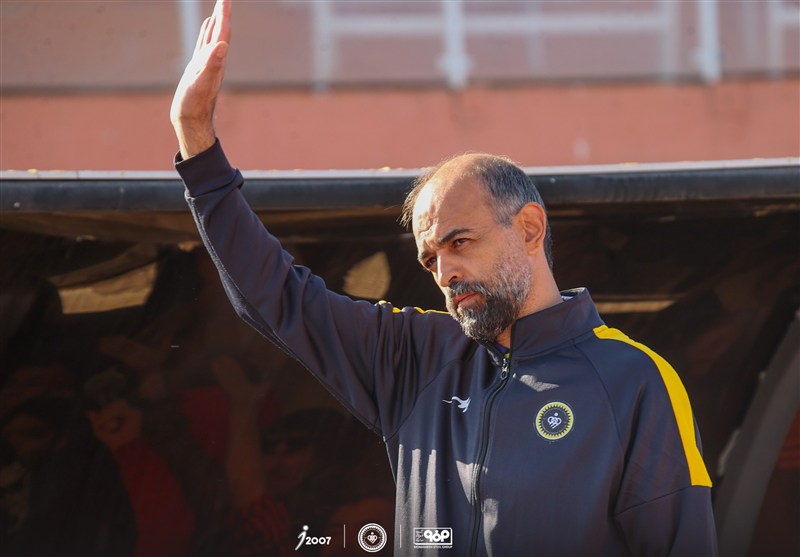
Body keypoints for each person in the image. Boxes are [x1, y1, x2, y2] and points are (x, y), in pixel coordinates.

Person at [170, 1, 718, 555]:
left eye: (460, 243)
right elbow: (278, 297)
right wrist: (196, 141)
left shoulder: (633, 379)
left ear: (529, 229)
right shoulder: (416, 358)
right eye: (430, 259)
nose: (446, 272)